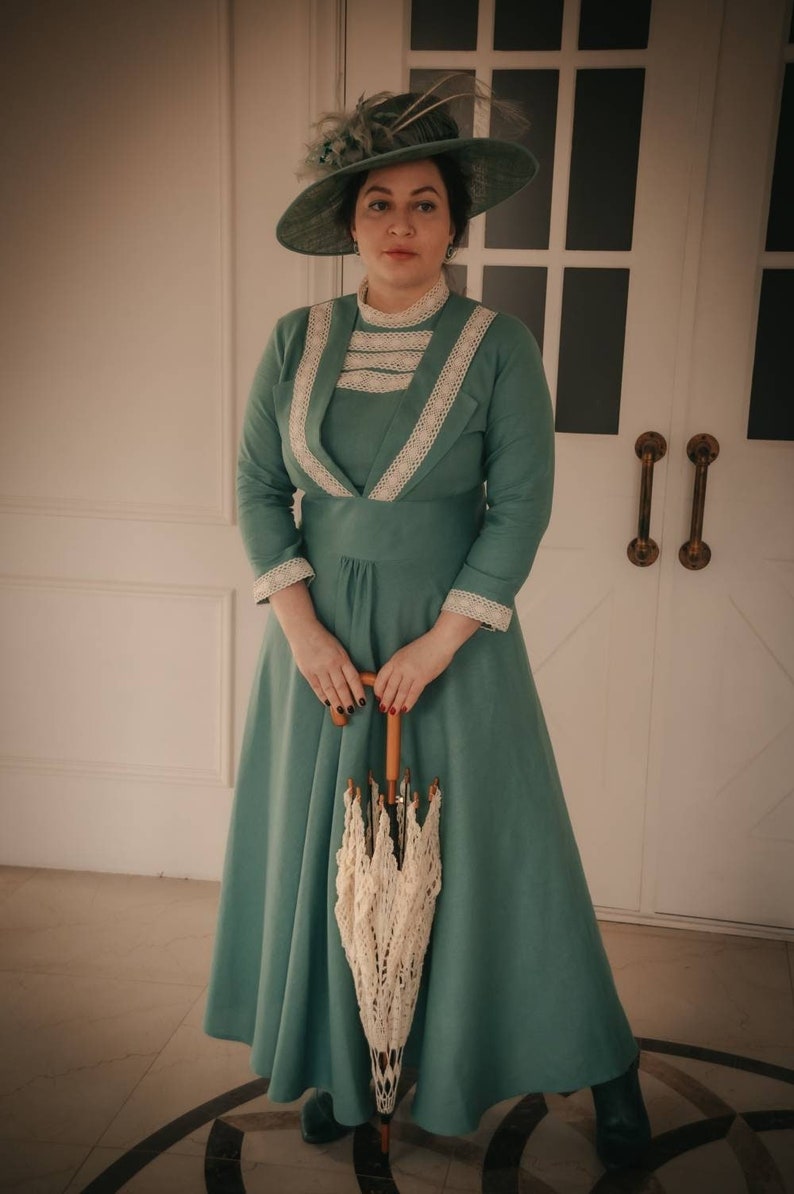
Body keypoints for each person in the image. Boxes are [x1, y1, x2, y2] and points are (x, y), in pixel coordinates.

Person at [203, 84, 651, 1171]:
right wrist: (305, 635)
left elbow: (519, 507)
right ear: (349, 224)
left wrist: (438, 643)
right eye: (376, 206)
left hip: (452, 640)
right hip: (317, 649)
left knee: (502, 858)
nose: (399, 227)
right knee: (336, 864)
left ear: (454, 223)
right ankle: (347, 1070)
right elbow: (259, 491)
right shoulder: (291, 340)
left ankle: (605, 1065)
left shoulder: (497, 345)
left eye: (422, 206)